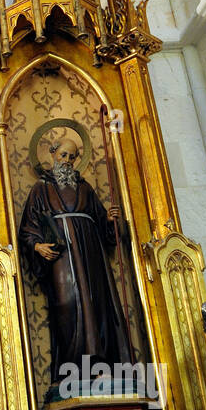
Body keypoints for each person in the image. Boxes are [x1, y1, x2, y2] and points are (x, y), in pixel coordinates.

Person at [18, 134, 131, 392]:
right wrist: (36, 245)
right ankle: (72, 370)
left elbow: (106, 230)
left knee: (95, 305)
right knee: (67, 305)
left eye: (72, 157)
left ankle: (100, 366)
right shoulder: (41, 189)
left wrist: (112, 221)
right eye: (63, 156)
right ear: (52, 154)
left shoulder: (85, 188)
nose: (67, 161)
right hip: (62, 259)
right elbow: (28, 227)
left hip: (91, 257)